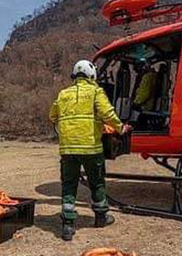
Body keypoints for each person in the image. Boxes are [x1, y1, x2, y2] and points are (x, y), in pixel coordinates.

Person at [49, 59, 131, 241]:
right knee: (97, 182)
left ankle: (68, 225)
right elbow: (107, 113)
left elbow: (52, 116)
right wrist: (120, 128)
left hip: (68, 150)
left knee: (69, 185)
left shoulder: (63, 94)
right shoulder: (95, 91)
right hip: (91, 149)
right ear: (91, 74)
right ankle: (101, 217)